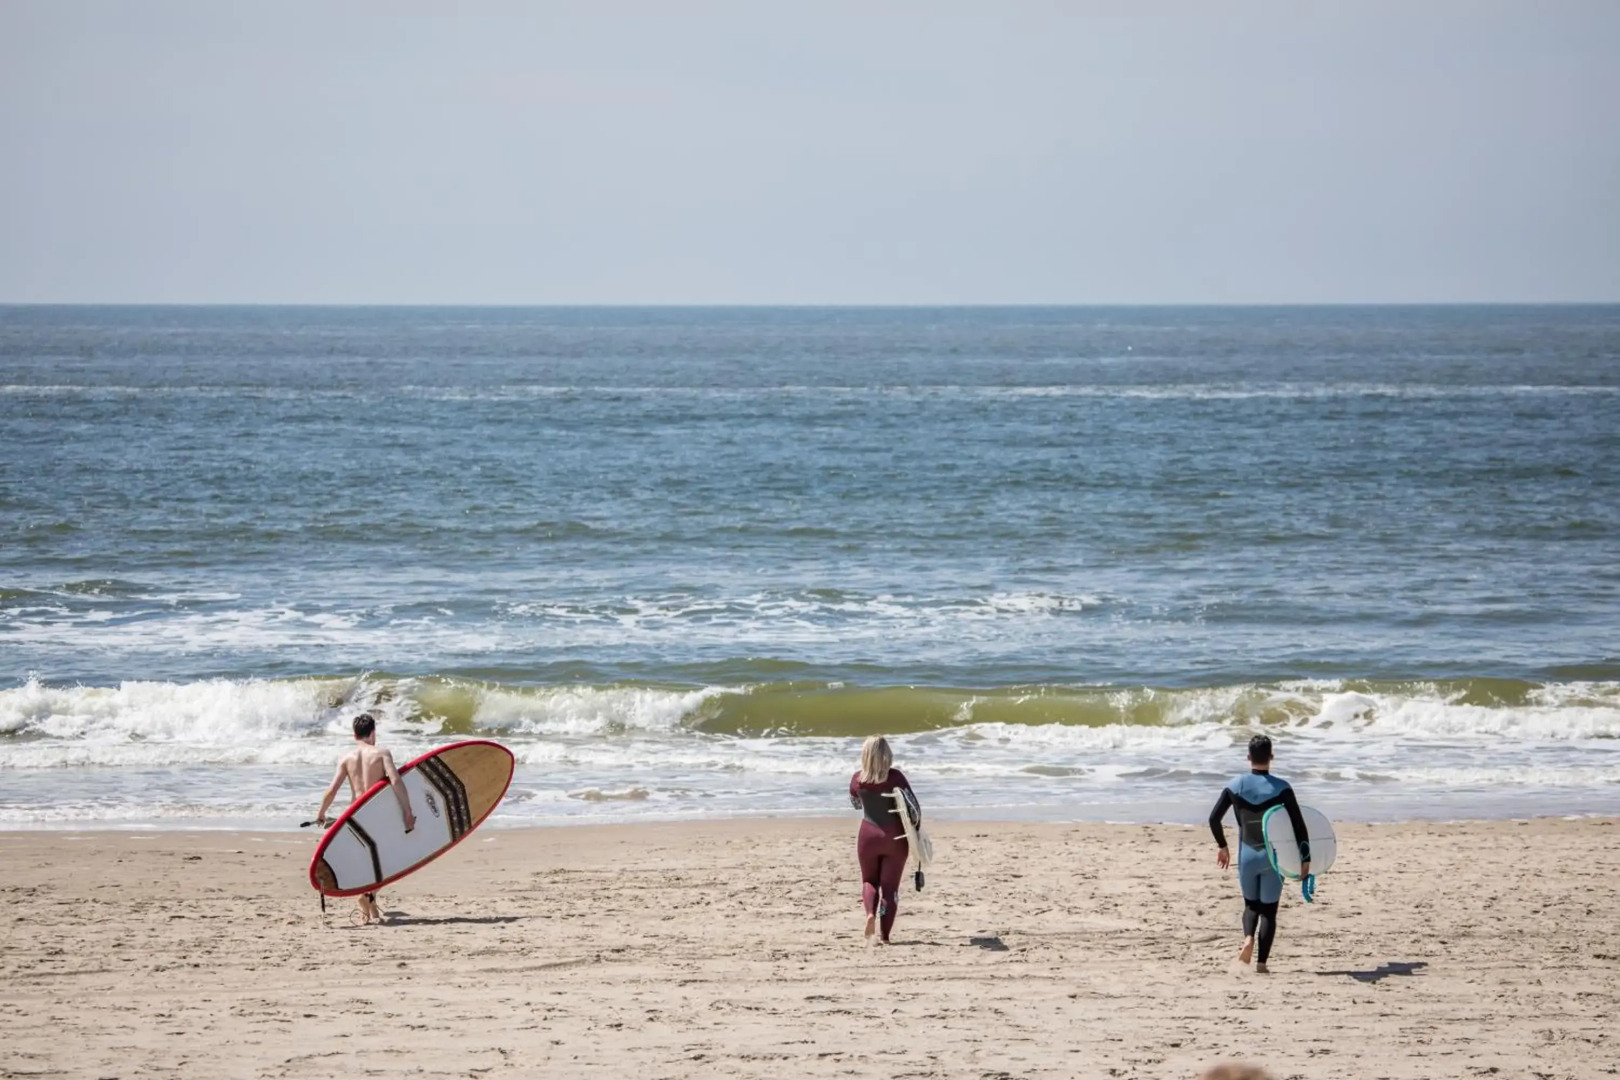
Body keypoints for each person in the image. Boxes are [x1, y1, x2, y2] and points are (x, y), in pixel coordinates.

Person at [1208, 733, 1309, 973]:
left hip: (1247, 855)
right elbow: (1299, 825)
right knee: (1269, 912)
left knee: (1250, 906)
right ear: (1271, 757)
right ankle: (1262, 964)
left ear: (1248, 757)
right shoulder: (1282, 788)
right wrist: (1305, 859)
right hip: (1273, 857)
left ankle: (1247, 939)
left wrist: (1222, 845)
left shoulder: (1236, 785)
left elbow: (1213, 818)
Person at [315, 711, 416, 925]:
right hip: (376, 815)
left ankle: (370, 904)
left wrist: (321, 813)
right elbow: (396, 781)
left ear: (354, 735)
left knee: (368, 861)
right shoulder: (381, 754)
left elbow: (332, 790)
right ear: (373, 734)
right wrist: (407, 811)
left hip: (355, 817)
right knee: (388, 861)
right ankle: (366, 896)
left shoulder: (346, 758)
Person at [847, 735, 918, 944]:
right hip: (894, 837)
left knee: (869, 880)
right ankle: (885, 936)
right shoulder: (896, 777)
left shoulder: (856, 779)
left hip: (868, 836)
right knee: (890, 888)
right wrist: (916, 831)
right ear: (887, 755)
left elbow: (856, 804)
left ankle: (870, 913)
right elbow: (913, 809)